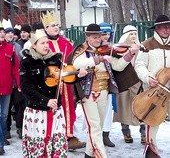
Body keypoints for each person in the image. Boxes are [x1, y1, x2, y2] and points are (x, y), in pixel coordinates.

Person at [20, 29, 87, 157]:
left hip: (56, 110)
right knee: (40, 145)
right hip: (37, 111)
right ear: (34, 45)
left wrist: (79, 75)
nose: (46, 45)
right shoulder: (27, 62)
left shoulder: (55, 59)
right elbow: (26, 89)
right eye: (42, 43)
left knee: (56, 145)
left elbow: (66, 77)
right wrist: (45, 101)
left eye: (47, 43)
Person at [67, 23, 120, 158]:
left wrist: (128, 55)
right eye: (95, 37)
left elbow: (118, 66)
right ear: (87, 37)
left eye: (99, 37)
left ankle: (88, 155)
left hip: (104, 91)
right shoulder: (82, 51)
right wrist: (99, 59)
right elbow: (76, 64)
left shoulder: (105, 49)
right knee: (95, 126)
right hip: (88, 92)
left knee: (98, 127)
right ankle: (102, 155)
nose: (98, 40)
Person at [41, 10, 86, 149]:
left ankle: (69, 136)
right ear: (45, 28)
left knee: (69, 109)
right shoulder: (42, 43)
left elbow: (74, 60)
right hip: (50, 83)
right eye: (52, 25)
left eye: (57, 25)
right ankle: (51, 137)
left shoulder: (65, 42)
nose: (56, 27)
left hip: (66, 84)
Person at [134, 15, 170, 157]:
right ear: (157, 28)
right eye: (164, 27)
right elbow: (139, 65)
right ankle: (151, 151)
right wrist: (148, 77)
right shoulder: (146, 45)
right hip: (154, 89)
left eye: (169, 27)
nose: (167, 29)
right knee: (152, 121)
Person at [113, 25, 146, 144]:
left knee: (142, 109)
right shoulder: (118, 49)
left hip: (138, 81)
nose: (133, 36)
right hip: (125, 83)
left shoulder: (141, 48)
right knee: (124, 108)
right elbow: (117, 67)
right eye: (131, 34)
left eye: (135, 34)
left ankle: (143, 134)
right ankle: (125, 132)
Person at [0, 21, 20, 155]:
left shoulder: (10, 49)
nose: (2, 35)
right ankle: (0, 143)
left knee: (4, 116)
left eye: (3, 33)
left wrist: (19, 84)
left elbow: (15, 69)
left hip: (6, 88)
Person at [99, 22, 115, 147]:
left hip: (110, 82)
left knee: (108, 111)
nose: (106, 37)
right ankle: (96, 135)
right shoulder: (94, 48)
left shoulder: (112, 47)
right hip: (97, 84)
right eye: (104, 34)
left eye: (108, 34)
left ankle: (106, 135)